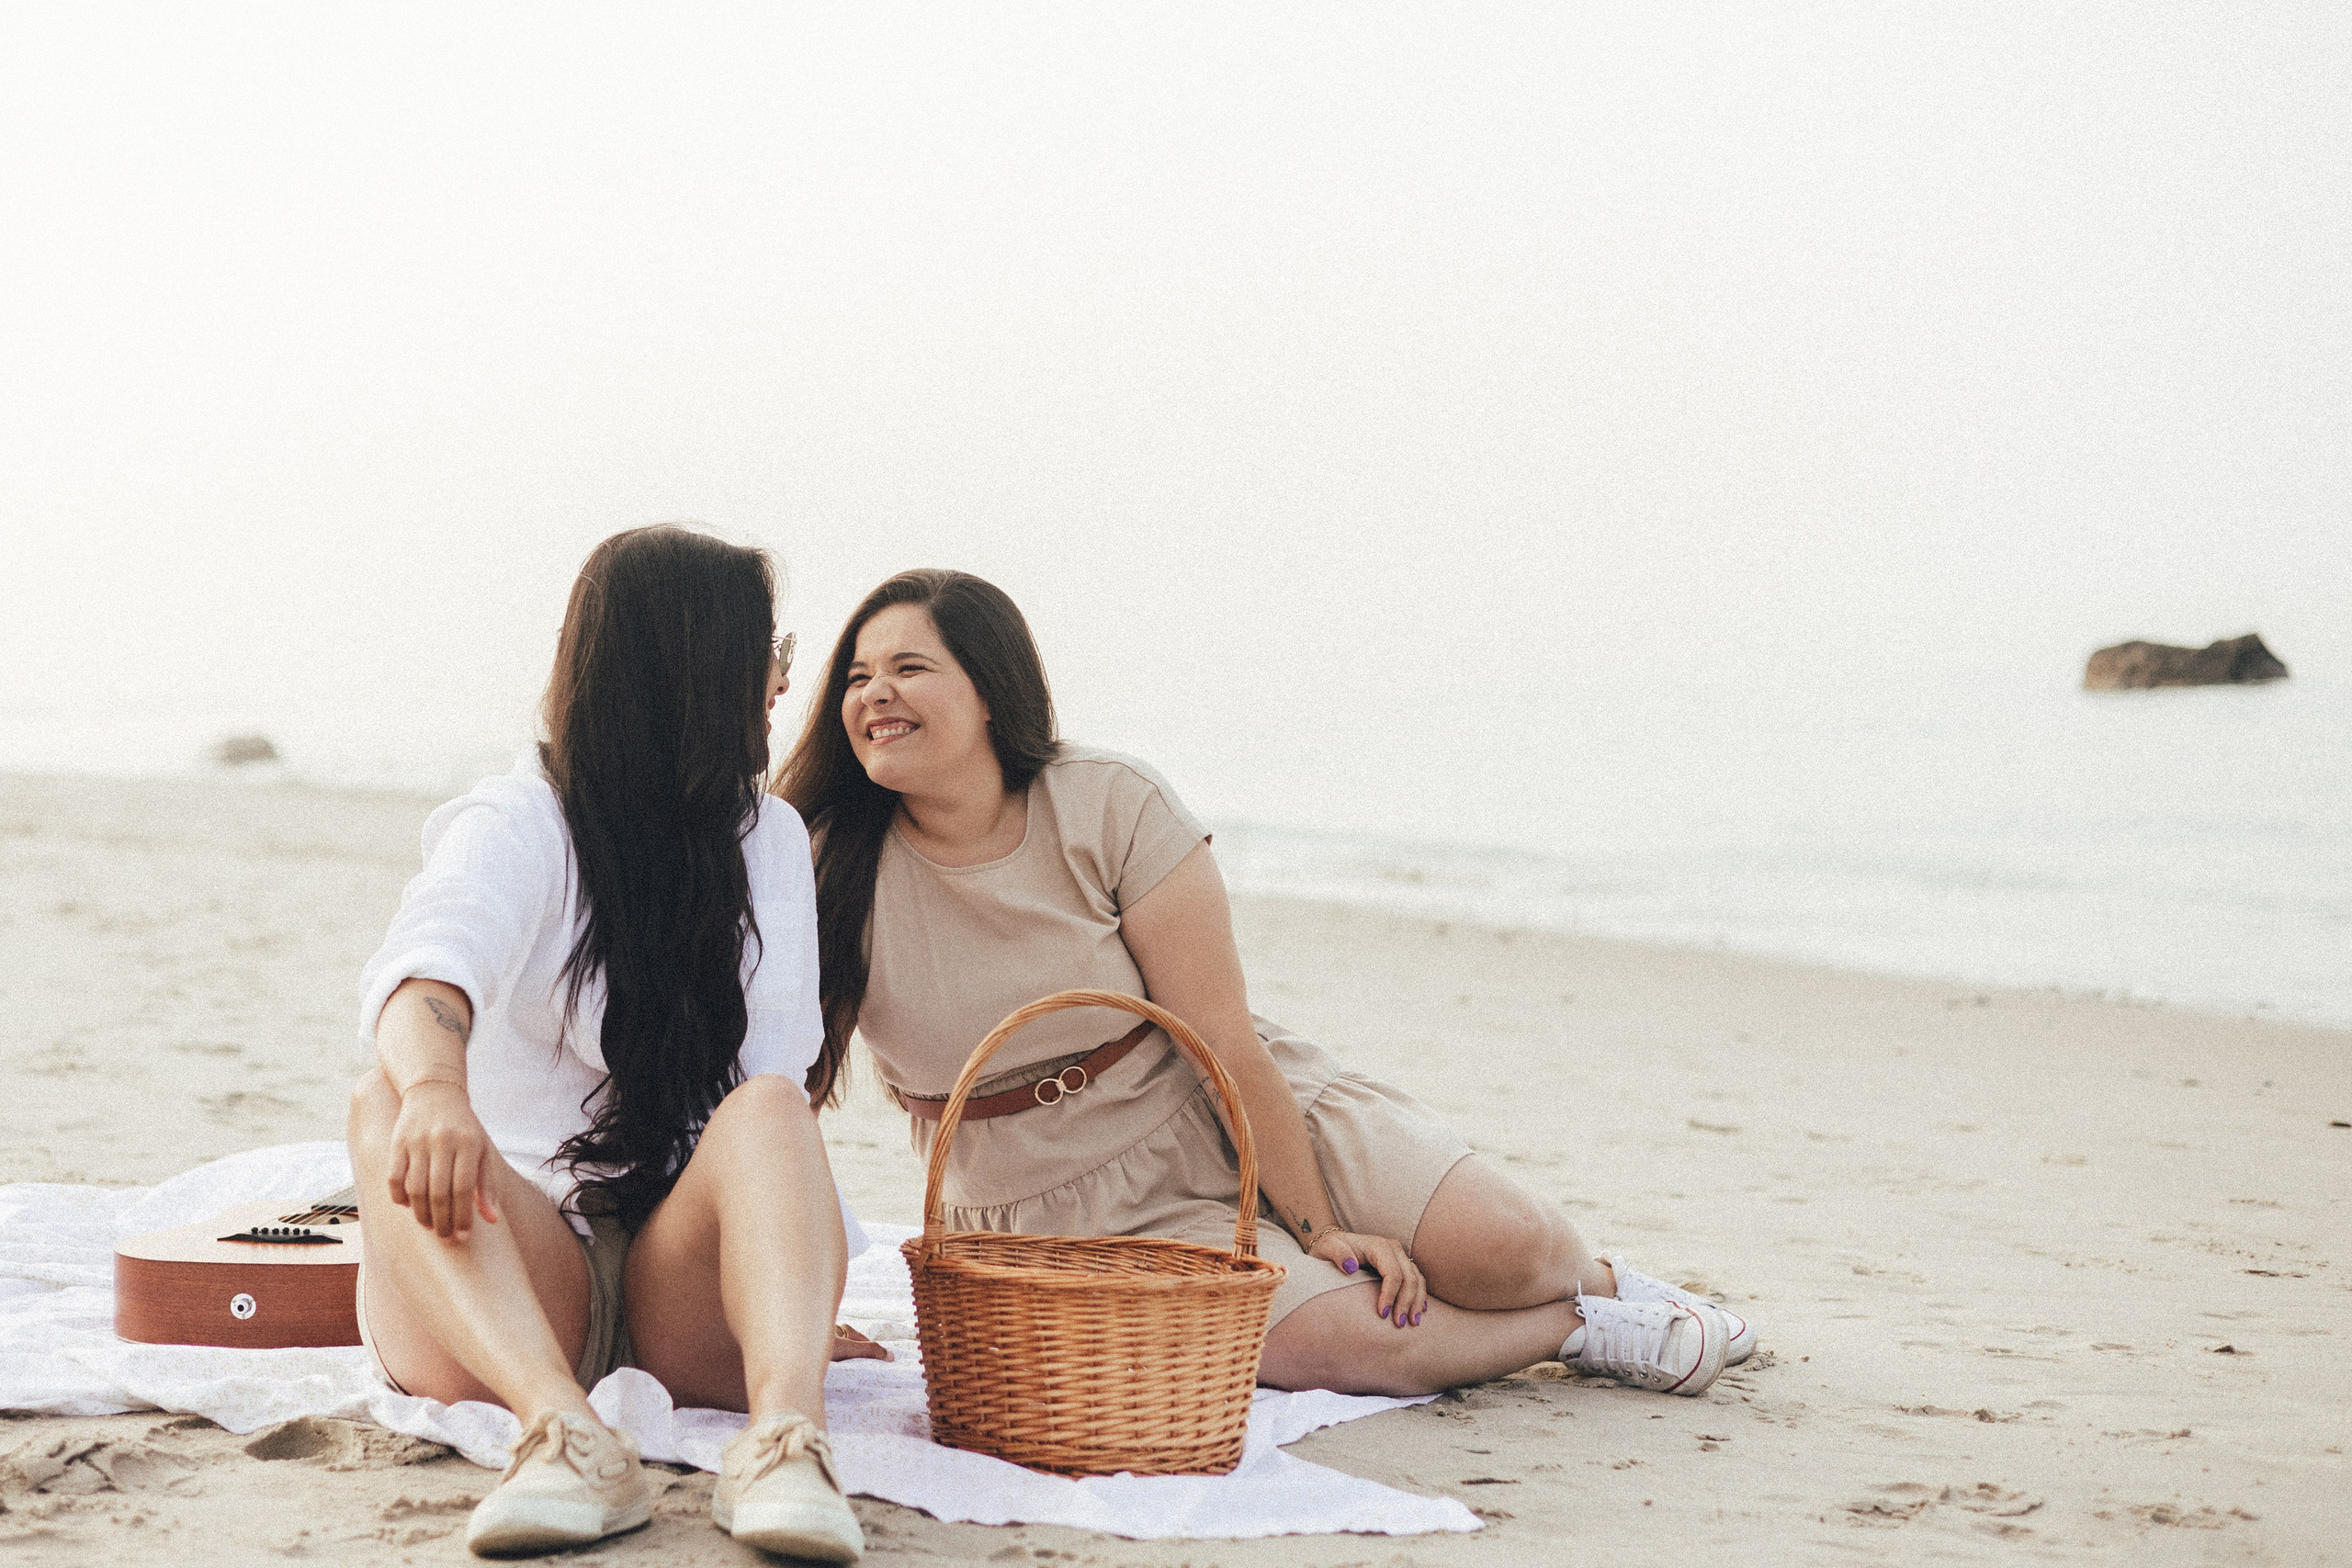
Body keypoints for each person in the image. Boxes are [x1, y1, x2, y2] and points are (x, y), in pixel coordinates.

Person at [779, 569, 1757, 1404]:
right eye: (857, 676)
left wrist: (1320, 1225)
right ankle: (1576, 1332)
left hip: (1222, 1098)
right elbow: (783, 1101)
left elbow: (1223, 1040)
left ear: (989, 690)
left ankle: (1598, 1284)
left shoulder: (1108, 799)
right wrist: (797, 1315)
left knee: (1505, 1246)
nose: (873, 694)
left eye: (909, 667)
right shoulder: (823, 868)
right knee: (1360, 1343)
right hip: (1058, 1196)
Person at [349, 526, 876, 1562]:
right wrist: (438, 1091)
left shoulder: (762, 837)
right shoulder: (521, 816)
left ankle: (784, 1438)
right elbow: (424, 971)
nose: (782, 680)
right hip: (515, 1274)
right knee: (385, 1100)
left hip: (680, 1290)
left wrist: (789, 1298)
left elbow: (766, 1089)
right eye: (766, 651)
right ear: (696, 665)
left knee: (770, 1105)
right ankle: (563, 1434)